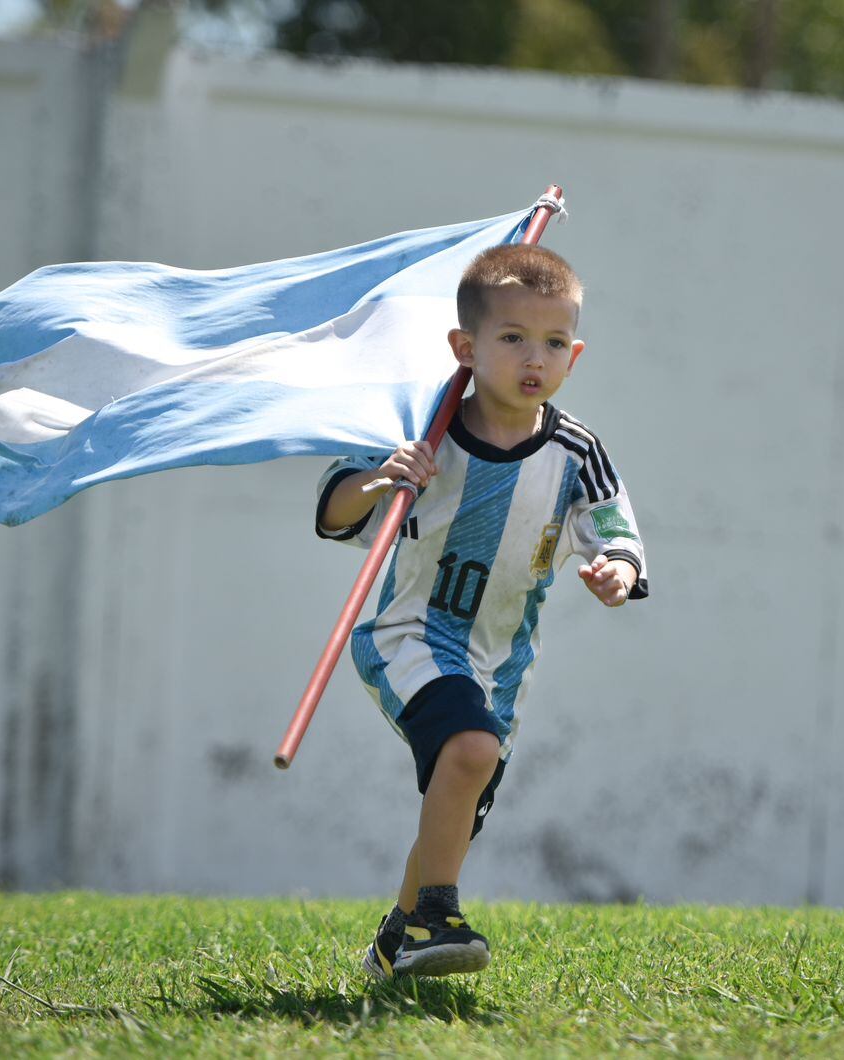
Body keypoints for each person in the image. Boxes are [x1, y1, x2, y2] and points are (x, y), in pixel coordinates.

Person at [314, 243, 648, 979]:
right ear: (464, 348)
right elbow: (336, 511)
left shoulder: (575, 451)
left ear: (575, 354)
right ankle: (438, 916)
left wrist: (616, 570)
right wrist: (381, 478)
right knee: (469, 752)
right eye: (513, 338)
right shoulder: (425, 433)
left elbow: (616, 531)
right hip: (409, 637)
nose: (536, 357)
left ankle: (394, 945)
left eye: (554, 342)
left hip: (502, 666)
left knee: (459, 806)